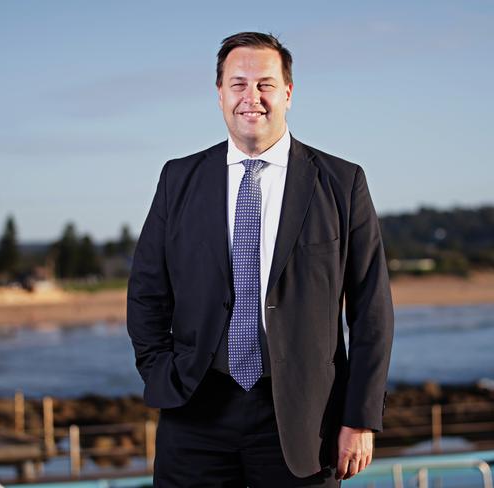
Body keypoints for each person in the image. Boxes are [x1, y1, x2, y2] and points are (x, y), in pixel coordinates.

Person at [127, 32, 394, 487]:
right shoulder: (178, 179)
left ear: (288, 93)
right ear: (219, 95)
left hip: (304, 418)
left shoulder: (342, 183)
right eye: (238, 84)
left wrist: (361, 418)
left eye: (265, 84)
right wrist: (162, 372)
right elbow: (147, 292)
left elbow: (371, 311)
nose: (252, 97)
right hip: (196, 411)